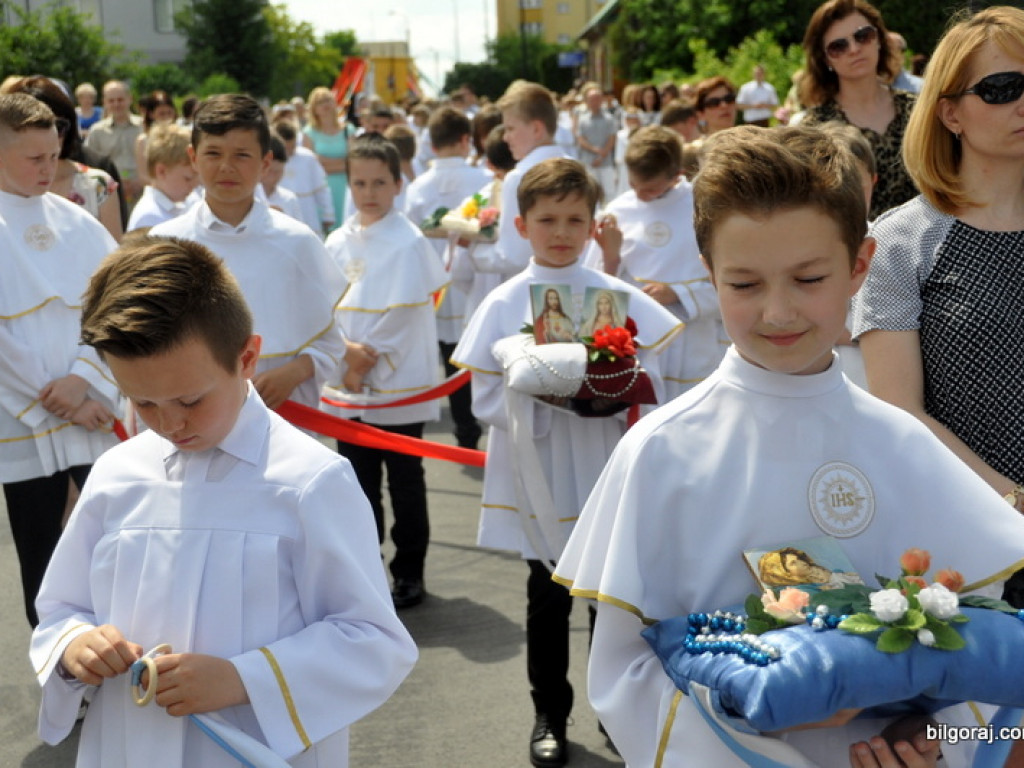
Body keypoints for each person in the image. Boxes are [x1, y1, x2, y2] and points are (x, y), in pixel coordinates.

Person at [552, 124, 1024, 768]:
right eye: (744, 285)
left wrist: (940, 746)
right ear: (709, 273)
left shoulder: (903, 441)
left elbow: (981, 653)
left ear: (861, 264)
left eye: (808, 278)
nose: (778, 313)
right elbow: (625, 672)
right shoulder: (662, 451)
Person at [30, 236, 417, 767]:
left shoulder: (309, 481)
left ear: (248, 358)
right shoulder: (117, 474)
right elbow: (61, 607)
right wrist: (76, 648)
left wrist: (243, 678)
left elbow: (372, 639)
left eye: (190, 400)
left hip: (248, 746)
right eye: (142, 402)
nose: (169, 424)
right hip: (127, 742)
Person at [451, 158, 681, 767]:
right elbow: (484, 400)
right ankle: (549, 712)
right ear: (522, 224)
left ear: (592, 224)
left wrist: (608, 390)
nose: (561, 231)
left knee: (610, 600)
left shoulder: (617, 295)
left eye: (574, 219)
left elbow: (651, 376)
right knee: (547, 595)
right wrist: (550, 393)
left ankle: (616, 716)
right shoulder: (503, 301)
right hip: (542, 465)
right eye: (547, 219)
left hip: (605, 458)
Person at [852, 5, 1024, 607]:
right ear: (949, 112)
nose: (1022, 102)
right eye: (1004, 88)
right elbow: (898, 413)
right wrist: (1013, 501)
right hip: (965, 551)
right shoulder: (901, 241)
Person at [0, 93, 118, 627]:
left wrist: (86, 379)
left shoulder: (78, 222)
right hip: (25, 418)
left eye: (53, 154)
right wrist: (59, 395)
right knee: (43, 560)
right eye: (34, 158)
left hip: (91, 408)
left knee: (110, 549)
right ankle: (63, 679)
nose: (49, 168)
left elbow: (115, 306)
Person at [150, 94, 346, 411]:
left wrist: (294, 372)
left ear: (265, 163)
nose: (226, 167)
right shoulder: (164, 244)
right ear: (193, 158)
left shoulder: (297, 241)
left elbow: (331, 341)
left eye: (242, 155)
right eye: (213, 153)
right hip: (192, 415)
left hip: (283, 416)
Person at [325, 134, 448, 610]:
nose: (369, 191)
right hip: (348, 381)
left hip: (395, 379)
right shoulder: (337, 240)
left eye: (379, 182)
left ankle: (410, 570)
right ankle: (366, 567)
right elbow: (327, 306)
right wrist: (345, 356)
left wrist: (365, 356)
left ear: (398, 184)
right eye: (359, 182)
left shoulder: (409, 240)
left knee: (405, 478)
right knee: (356, 483)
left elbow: (403, 313)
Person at [586, 124, 725, 400]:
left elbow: (733, 282)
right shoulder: (618, 211)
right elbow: (594, 285)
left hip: (693, 343)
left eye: (648, 189)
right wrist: (610, 256)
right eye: (633, 185)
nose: (638, 195)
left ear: (676, 175)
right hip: (640, 342)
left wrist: (678, 293)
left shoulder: (707, 208)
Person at [403, 106, 489, 449]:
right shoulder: (483, 180)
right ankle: (474, 431)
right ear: (466, 140)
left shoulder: (417, 187)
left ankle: (450, 432)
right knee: (473, 356)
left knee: (440, 357)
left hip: (432, 283)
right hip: (473, 280)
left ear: (433, 144)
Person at [799, 0, 917, 219]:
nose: (854, 49)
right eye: (838, 46)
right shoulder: (815, 129)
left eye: (863, 36)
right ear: (825, 60)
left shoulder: (919, 110)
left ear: (879, 39)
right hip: (857, 246)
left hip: (930, 241)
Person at [1, 75, 122, 241]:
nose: (47, 169)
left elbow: (113, 258)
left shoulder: (93, 193)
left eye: (58, 125)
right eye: (36, 158)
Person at [127, 123, 198, 231]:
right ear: (161, 171)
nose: (194, 185)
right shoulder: (149, 218)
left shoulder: (183, 204)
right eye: (187, 178)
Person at [83, 80, 144, 206]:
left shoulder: (144, 127)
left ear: (130, 99)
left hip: (142, 193)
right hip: (109, 196)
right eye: (111, 101)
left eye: (120, 99)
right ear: (104, 102)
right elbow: (88, 163)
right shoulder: (97, 131)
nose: (116, 104)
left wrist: (141, 181)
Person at [304, 86, 353, 232]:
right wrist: (341, 163)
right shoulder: (309, 133)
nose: (325, 104)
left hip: (345, 186)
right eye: (319, 102)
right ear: (314, 109)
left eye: (327, 100)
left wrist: (324, 162)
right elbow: (311, 166)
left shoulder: (348, 130)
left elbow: (354, 162)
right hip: (322, 188)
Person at [274, 120, 334, 237]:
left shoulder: (308, 157)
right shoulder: (271, 161)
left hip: (307, 210)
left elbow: (321, 187)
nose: (290, 151)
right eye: (287, 148)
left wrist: (328, 213)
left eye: (293, 146)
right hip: (282, 210)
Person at [574, 84, 617, 198]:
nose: (595, 102)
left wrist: (602, 155)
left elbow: (612, 139)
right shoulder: (583, 120)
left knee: (609, 192)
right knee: (591, 193)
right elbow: (581, 139)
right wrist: (595, 150)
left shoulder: (609, 118)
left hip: (606, 162)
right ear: (587, 101)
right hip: (589, 162)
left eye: (597, 99)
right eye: (592, 99)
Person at [133, 90, 177, 187]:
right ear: (151, 115)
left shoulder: (183, 137)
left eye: (169, 113)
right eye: (161, 114)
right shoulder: (143, 140)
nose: (167, 118)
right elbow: (143, 176)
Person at [262, 133, 303, 223]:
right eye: (270, 171)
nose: (273, 177)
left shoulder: (289, 199)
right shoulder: (246, 200)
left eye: (278, 171)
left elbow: (299, 231)